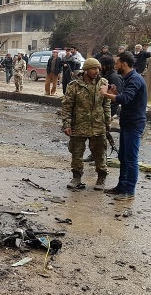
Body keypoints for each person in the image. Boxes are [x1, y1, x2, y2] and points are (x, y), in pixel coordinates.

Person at [101, 52, 148, 200]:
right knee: (123, 156)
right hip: (127, 123)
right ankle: (121, 186)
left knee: (131, 158)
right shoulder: (128, 78)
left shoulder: (135, 79)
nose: (115, 66)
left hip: (134, 124)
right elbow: (125, 97)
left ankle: (129, 191)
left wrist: (106, 94)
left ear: (124, 64)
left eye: (117, 63)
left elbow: (125, 98)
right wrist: (115, 93)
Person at [61, 58, 111, 190]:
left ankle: (101, 178)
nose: (97, 71)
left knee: (100, 153)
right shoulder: (74, 85)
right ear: (86, 70)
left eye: (98, 69)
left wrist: (108, 121)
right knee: (77, 153)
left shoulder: (103, 83)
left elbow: (106, 104)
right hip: (79, 125)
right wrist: (66, 124)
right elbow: (67, 106)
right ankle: (76, 177)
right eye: (94, 68)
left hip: (98, 125)